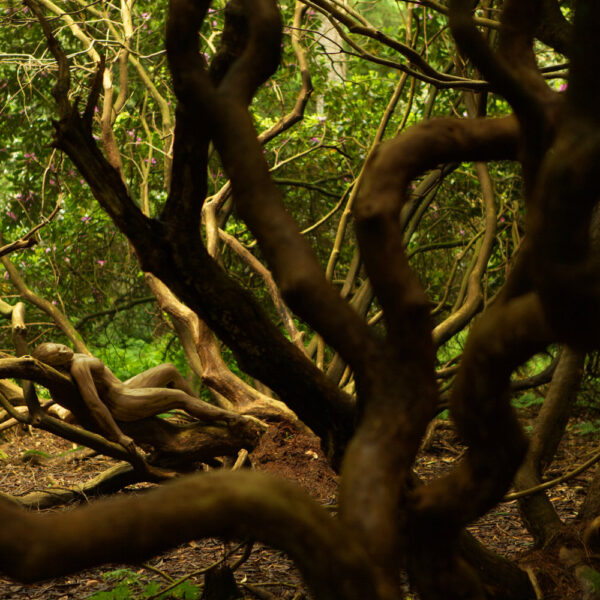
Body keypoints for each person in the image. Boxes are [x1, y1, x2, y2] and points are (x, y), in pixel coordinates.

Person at [32, 342, 245, 454]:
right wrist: (119, 436)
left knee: (170, 369)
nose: (63, 350)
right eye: (58, 355)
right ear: (57, 365)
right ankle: (230, 418)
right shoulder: (77, 368)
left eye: (59, 346)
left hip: (123, 387)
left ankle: (199, 411)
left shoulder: (73, 359)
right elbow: (95, 405)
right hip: (123, 402)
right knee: (179, 397)